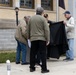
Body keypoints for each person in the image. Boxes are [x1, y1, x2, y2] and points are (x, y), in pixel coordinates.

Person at [27, 7, 50, 73]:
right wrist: (47, 39)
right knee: (43, 53)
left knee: (33, 53)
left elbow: (28, 29)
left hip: (33, 38)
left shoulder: (31, 19)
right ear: (42, 12)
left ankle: (32, 67)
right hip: (42, 38)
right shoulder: (43, 19)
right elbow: (46, 30)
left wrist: (28, 37)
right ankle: (44, 69)